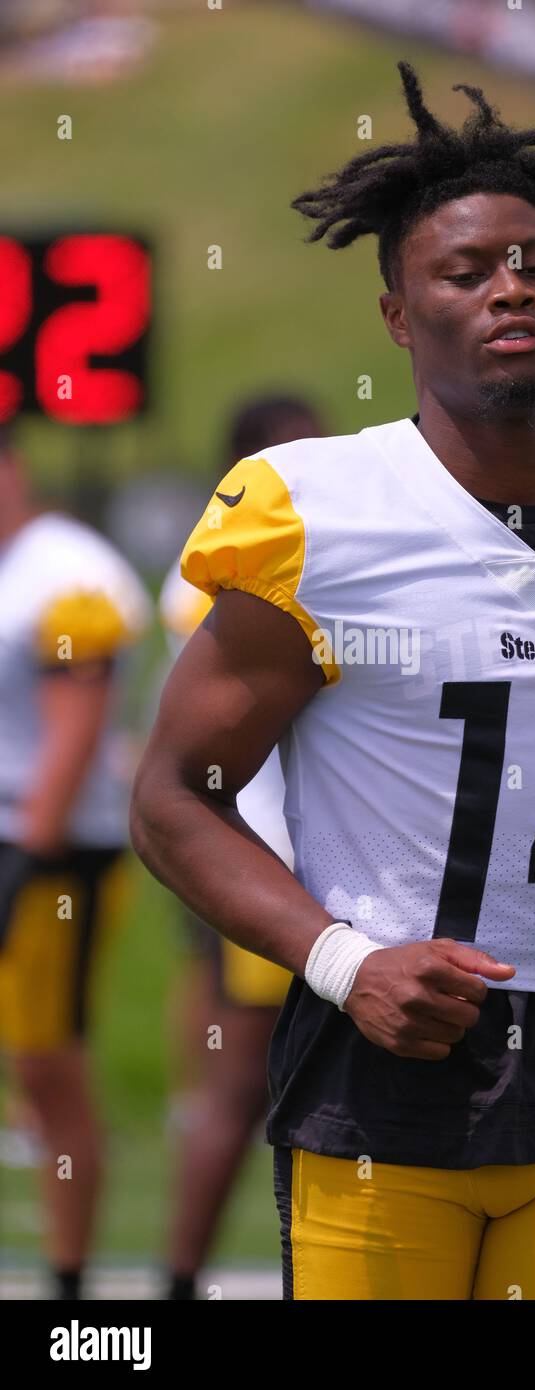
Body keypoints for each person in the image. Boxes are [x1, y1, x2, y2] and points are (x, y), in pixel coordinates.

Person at [130, 63, 535, 1301]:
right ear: (400, 316)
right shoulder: (318, 516)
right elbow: (173, 797)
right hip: (380, 1068)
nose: (509, 285)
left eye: (534, 261)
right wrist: (346, 962)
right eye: (465, 271)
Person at [158, 393, 326, 1300]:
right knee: (248, 1089)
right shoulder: (230, 584)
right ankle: (180, 1280)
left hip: (300, 856)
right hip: (263, 861)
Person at [0, 424, 150, 1300]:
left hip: (52, 854)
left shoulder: (67, 573)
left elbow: (75, 729)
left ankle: (66, 1281)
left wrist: (26, 856)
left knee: (47, 1064)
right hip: (20, 836)